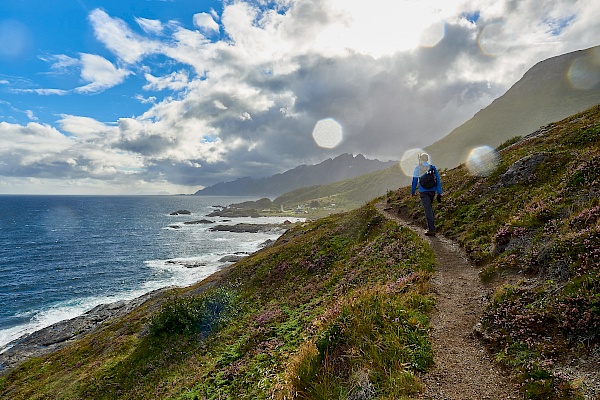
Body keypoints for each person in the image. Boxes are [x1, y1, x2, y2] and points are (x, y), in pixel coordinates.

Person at [411, 153, 442, 236]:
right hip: (432, 191)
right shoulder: (432, 167)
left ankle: (431, 229)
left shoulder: (418, 168)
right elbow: (438, 179)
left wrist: (413, 191)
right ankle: (432, 226)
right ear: (427, 159)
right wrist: (439, 192)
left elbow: (414, 180)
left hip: (423, 191)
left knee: (427, 209)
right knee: (430, 208)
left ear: (421, 159)